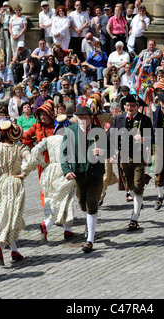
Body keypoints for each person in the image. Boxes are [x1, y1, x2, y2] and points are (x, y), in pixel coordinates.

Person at [0, 122, 35, 265]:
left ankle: (14, 250)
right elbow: (32, 159)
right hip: (14, 183)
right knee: (11, 217)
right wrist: (24, 173)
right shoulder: (20, 148)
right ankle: (0, 247)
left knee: (4, 216)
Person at [60, 106, 106, 253]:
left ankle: (90, 240)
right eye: (80, 117)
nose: (83, 120)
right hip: (78, 173)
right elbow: (63, 152)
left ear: (90, 118)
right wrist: (67, 171)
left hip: (95, 173)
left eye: (85, 117)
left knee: (92, 203)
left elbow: (111, 148)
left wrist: (102, 151)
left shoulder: (99, 131)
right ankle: (89, 223)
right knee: (82, 203)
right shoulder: (71, 131)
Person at [109, 94, 153, 227]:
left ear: (137, 107)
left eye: (132, 106)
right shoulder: (118, 119)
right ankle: (137, 201)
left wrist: (143, 139)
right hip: (124, 156)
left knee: (138, 184)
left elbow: (152, 137)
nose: (129, 108)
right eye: (127, 105)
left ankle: (134, 218)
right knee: (129, 185)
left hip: (139, 156)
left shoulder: (144, 119)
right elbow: (111, 136)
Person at [31, 114, 76, 242]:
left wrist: (44, 164)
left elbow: (34, 151)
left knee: (55, 197)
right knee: (65, 198)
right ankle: (47, 224)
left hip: (50, 170)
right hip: (65, 170)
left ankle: (68, 229)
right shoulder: (70, 139)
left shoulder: (48, 139)